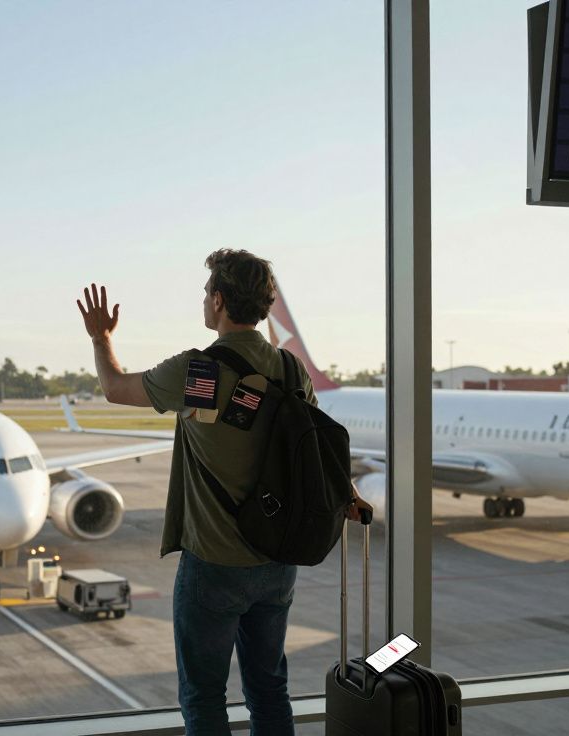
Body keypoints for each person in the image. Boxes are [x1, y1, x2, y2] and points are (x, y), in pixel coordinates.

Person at [77, 249, 371, 736]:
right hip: (278, 562)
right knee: (270, 691)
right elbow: (316, 452)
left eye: (205, 293)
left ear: (217, 300)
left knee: (204, 696)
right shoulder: (291, 371)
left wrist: (100, 338)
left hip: (214, 565)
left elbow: (113, 388)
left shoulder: (200, 374)